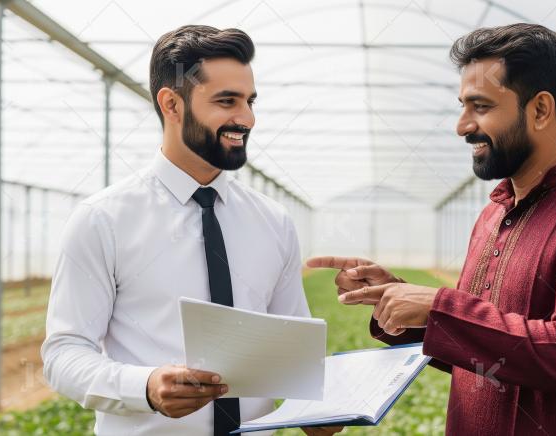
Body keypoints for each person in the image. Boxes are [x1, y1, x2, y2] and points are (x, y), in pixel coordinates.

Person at [308, 23, 556, 435]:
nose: (462, 125)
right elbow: (481, 346)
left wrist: (438, 307)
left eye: (481, 106)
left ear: (541, 110)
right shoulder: (494, 213)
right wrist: (398, 302)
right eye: (463, 106)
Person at [42, 25, 338, 436]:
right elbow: (64, 354)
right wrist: (144, 386)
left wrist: (316, 411)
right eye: (226, 101)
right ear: (172, 103)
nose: (246, 118)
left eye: (250, 101)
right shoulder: (103, 220)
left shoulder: (273, 221)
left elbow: (295, 352)